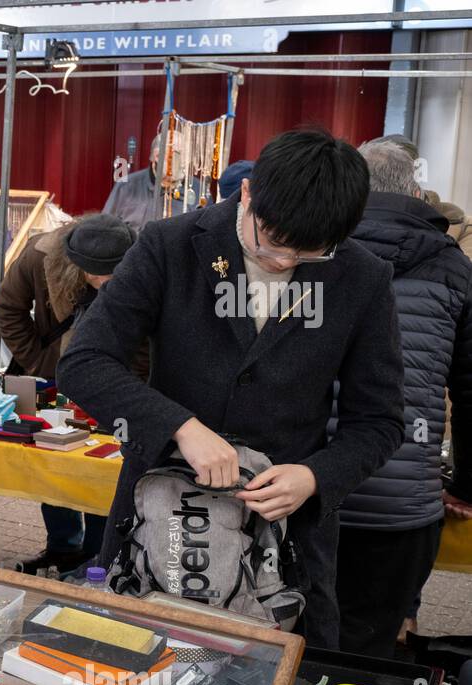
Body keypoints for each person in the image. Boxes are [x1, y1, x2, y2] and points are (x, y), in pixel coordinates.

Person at [59, 128, 405, 649]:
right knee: (137, 668)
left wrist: (314, 476)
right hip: (160, 517)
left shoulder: (362, 277)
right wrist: (180, 427)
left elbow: (379, 420)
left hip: (282, 538)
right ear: (247, 195)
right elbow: (84, 362)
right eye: (273, 243)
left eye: (308, 255)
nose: (284, 262)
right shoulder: (170, 246)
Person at [328, 141, 472, 657]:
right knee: (370, 639)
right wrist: (465, 484)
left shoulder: (315, 251)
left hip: (310, 484)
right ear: (415, 191)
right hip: (404, 499)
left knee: (291, 626)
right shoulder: (453, 266)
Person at [0, 213, 140, 572]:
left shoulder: (143, 262)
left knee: (102, 464)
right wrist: (38, 361)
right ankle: (63, 545)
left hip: (113, 376)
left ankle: (96, 552)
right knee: (55, 461)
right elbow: (9, 307)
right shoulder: (38, 255)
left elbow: (149, 337)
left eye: (111, 271)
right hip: (55, 373)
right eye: (93, 272)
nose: (103, 281)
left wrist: (133, 386)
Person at [102, 133, 187, 229]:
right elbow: (105, 228)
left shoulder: (198, 190)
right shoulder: (126, 186)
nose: (184, 162)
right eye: (177, 155)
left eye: (186, 156)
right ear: (157, 156)